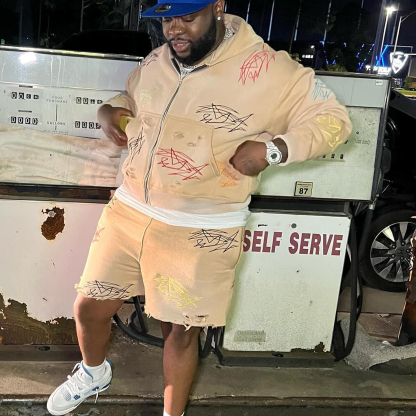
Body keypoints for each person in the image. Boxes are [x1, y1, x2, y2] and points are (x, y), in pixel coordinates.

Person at [47, 1, 352, 415]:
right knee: (89, 308)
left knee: (180, 331)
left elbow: (334, 119)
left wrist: (274, 150)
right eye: (167, 19)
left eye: (188, 18)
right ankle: (93, 372)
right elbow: (133, 96)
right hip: (130, 211)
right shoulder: (159, 58)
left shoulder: (269, 69)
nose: (175, 30)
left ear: (218, 7)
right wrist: (110, 111)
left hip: (201, 227)